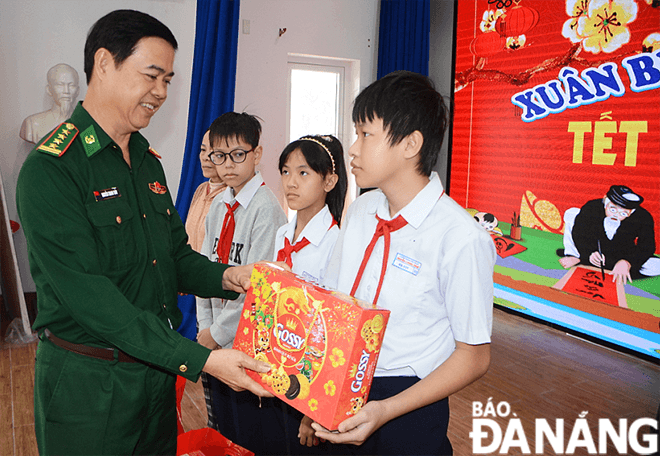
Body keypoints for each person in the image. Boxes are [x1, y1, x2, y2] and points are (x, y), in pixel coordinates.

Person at [15, 10, 271, 456]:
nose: (162, 93)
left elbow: (173, 255)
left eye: (168, 80)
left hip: (154, 379)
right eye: (152, 75)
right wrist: (205, 359)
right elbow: (93, 298)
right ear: (104, 64)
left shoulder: (146, 162)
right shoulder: (52, 169)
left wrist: (230, 277)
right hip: (89, 388)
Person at [313, 71, 496, 455]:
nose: (352, 148)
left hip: (408, 402)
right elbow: (333, 303)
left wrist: (385, 409)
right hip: (340, 382)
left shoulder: (460, 237)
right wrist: (315, 395)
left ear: (411, 143)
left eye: (366, 135)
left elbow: (474, 356)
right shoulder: (362, 210)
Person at [196, 111, 287, 451]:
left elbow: (259, 287)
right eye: (219, 156)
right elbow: (206, 270)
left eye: (238, 155)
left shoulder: (266, 209)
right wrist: (206, 327)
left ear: (257, 155)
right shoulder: (220, 203)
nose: (228, 165)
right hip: (215, 338)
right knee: (221, 426)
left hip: (246, 340)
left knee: (248, 432)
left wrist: (215, 334)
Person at [271, 134, 348, 453]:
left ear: (329, 180)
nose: (291, 182)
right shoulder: (282, 234)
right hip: (279, 364)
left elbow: (330, 331)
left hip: (310, 379)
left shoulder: (336, 243)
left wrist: (310, 412)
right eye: (286, 172)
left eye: (303, 173)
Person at [176, 129, 227, 340]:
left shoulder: (229, 198)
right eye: (202, 150)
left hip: (215, 290)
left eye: (213, 152)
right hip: (192, 287)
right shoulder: (200, 190)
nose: (205, 157)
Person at [559, 184, 660, 284]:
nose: (615, 215)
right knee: (572, 213)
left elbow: (647, 247)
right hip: (592, 252)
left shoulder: (643, 217)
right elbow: (579, 233)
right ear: (605, 201)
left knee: (657, 265)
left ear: (631, 212)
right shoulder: (592, 207)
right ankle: (574, 256)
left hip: (620, 255)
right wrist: (588, 253)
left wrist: (627, 262)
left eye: (623, 213)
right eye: (612, 209)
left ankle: (618, 268)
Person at [19, 63, 80, 143]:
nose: (66, 91)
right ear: (49, 90)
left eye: (71, 86)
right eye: (60, 85)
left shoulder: (85, 123)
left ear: (77, 91)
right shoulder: (32, 124)